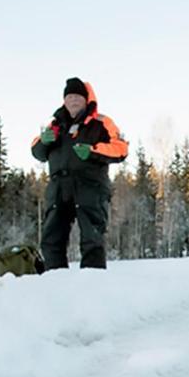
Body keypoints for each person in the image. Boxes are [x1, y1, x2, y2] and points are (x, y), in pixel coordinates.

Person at [31, 77, 129, 269]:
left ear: (86, 99)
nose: (73, 100)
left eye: (77, 96)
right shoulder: (55, 125)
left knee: (92, 238)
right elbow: (37, 152)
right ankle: (55, 281)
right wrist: (44, 141)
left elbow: (120, 149)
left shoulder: (101, 122)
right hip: (59, 187)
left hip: (90, 186)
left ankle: (92, 285)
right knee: (52, 239)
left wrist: (93, 151)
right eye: (69, 97)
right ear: (64, 100)